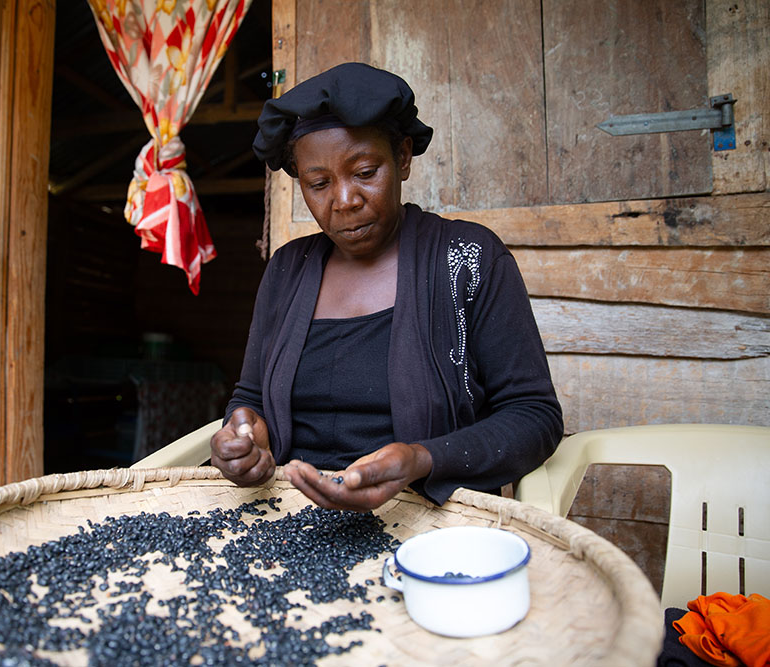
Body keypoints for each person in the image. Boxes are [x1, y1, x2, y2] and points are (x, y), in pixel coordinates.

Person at [210, 62, 563, 512]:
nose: (344, 200)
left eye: (364, 172)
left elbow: (535, 416)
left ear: (402, 158)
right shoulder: (287, 270)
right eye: (319, 183)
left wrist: (422, 459)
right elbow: (252, 397)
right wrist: (244, 431)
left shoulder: (468, 259)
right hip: (288, 515)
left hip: (429, 520)